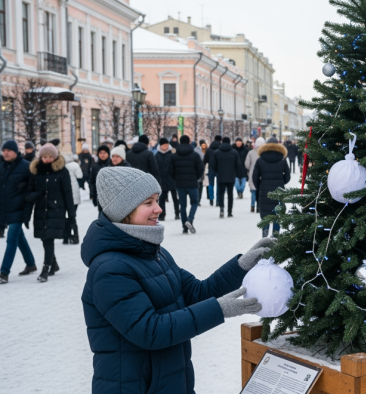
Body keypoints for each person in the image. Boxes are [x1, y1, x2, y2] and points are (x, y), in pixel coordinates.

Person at [80, 166, 272, 394]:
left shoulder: (154, 253)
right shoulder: (109, 269)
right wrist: (219, 310)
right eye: (148, 203)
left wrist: (240, 266)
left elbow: (197, 292)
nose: (159, 208)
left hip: (171, 382)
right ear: (124, 210)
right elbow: (150, 331)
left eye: (157, 200)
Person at [25, 144, 74, 282]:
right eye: (45, 156)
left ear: (55, 157)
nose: (47, 159)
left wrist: (71, 215)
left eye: (50, 156)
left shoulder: (62, 171)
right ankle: (54, 264)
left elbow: (68, 194)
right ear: (40, 157)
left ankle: (45, 269)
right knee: (44, 238)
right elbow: (29, 194)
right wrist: (27, 215)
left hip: (56, 210)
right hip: (41, 211)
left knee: (48, 239)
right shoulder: (36, 172)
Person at [0, 140, 36, 283]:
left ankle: (4, 272)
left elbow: (31, 189)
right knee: (19, 237)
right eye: (3, 150)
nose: (5, 153)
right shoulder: (1, 167)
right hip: (6, 209)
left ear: (15, 151)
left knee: (11, 239)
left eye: (8, 150)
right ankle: (31, 264)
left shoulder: (26, 167)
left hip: (19, 209)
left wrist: (26, 207)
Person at [253, 138, 291, 237]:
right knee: (277, 215)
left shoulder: (260, 160)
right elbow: (287, 177)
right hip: (279, 191)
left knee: (265, 215)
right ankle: (275, 237)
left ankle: (265, 236)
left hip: (264, 191)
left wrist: (260, 185)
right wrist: (280, 181)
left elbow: (255, 177)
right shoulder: (282, 160)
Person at [169, 135, 204, 234]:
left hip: (180, 184)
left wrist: (176, 178)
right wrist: (195, 177)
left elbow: (170, 170)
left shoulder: (174, 156)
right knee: (194, 202)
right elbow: (200, 169)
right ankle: (190, 219)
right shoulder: (195, 155)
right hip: (192, 183)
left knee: (183, 205)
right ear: (189, 142)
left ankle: (184, 227)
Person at [210, 137, 243, 218]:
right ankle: (229, 211)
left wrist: (217, 171)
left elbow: (212, 164)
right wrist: (234, 171)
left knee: (221, 193)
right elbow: (238, 164)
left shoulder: (217, 152)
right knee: (230, 194)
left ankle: (221, 208)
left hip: (220, 175)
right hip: (231, 176)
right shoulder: (234, 152)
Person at [154, 138, 179, 222]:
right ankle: (162, 215)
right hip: (162, 181)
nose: (165, 146)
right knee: (162, 199)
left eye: (167, 145)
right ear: (160, 146)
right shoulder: (157, 155)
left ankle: (177, 213)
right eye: (164, 145)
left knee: (175, 198)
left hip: (172, 179)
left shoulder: (172, 154)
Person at [63, 154, 83, 245]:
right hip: (74, 194)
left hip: (64, 194)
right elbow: (80, 177)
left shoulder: (61, 166)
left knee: (64, 216)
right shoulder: (75, 165)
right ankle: (75, 237)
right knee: (72, 215)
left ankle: (66, 237)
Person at [244, 137, 265, 213]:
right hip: (263, 173)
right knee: (260, 190)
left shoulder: (251, 153)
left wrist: (250, 168)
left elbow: (247, 164)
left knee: (253, 190)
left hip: (252, 173)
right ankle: (259, 206)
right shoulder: (265, 153)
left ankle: (252, 206)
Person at [90, 145, 111, 210]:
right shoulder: (95, 166)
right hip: (99, 195)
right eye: (100, 153)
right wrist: (92, 194)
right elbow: (92, 181)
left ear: (108, 154)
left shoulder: (112, 165)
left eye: (104, 153)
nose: (102, 155)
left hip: (110, 195)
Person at [203, 135, 222, 206]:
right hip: (219, 168)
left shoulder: (209, 149)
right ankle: (218, 201)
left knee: (211, 184)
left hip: (211, 168)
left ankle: (211, 199)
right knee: (219, 184)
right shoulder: (221, 148)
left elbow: (205, 160)